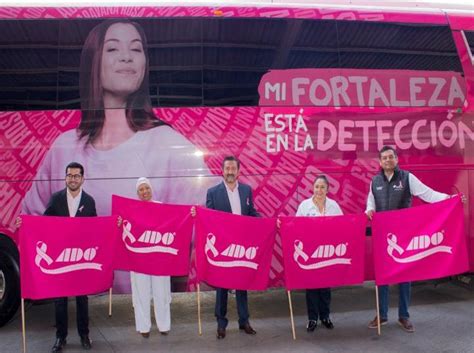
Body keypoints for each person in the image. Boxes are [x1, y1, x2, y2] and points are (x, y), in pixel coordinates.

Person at [21, 19, 213, 292]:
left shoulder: (168, 146)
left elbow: (216, 223)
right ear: (93, 62)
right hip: (79, 297)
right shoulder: (63, 149)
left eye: (136, 49)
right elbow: (33, 225)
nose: (126, 56)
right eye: (112, 49)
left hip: (148, 301)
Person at [366, 145, 456, 333]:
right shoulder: (374, 181)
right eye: (384, 158)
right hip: (383, 234)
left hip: (404, 234)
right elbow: (370, 203)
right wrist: (369, 210)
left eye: (391, 157)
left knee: (404, 275)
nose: (388, 160)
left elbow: (428, 194)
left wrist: (450, 198)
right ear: (380, 163)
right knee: (382, 276)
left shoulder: (407, 178)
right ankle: (382, 315)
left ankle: (403, 316)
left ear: (396, 159)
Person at [205, 156, 259, 339]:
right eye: (227, 168)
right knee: (222, 287)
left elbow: (251, 213)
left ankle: (244, 322)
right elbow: (209, 218)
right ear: (222, 170)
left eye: (233, 168)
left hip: (241, 246)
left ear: (238, 171)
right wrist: (198, 214)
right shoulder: (212, 192)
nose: (230, 171)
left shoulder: (246, 191)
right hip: (223, 247)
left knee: (242, 285)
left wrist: (266, 223)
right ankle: (221, 324)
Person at [46, 162, 97, 352]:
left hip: (81, 258)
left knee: (82, 298)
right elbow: (43, 224)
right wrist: (24, 223)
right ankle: (61, 337)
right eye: (70, 175)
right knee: (60, 299)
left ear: (83, 178)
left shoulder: (89, 201)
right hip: (61, 257)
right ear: (65, 177)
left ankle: (84, 335)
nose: (73, 179)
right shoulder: (56, 199)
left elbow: (96, 228)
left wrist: (112, 225)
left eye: (76, 176)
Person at [295, 175, 343, 332]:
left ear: (328, 189)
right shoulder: (304, 205)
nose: (319, 190)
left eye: (322, 187)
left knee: (325, 287)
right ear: (312, 188)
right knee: (312, 287)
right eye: (317, 187)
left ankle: (325, 317)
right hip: (310, 253)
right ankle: (312, 319)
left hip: (327, 252)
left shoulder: (334, 206)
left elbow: (342, 227)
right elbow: (296, 227)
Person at [131, 177, 171, 338]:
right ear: (137, 193)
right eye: (141, 189)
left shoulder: (162, 208)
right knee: (141, 292)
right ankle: (144, 327)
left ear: (151, 189)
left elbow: (174, 225)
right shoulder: (131, 210)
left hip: (159, 258)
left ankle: (164, 325)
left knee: (161, 292)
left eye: (146, 188)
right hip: (139, 258)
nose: (144, 192)